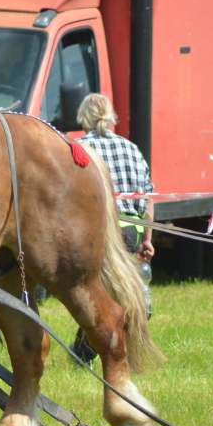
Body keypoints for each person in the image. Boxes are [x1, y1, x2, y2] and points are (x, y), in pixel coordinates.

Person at [70, 93, 154, 363]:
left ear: (84, 117)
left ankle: (87, 351)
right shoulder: (131, 149)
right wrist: (147, 239)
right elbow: (148, 198)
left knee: (95, 292)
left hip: (94, 229)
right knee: (123, 289)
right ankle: (110, 346)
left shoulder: (77, 148)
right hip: (131, 229)